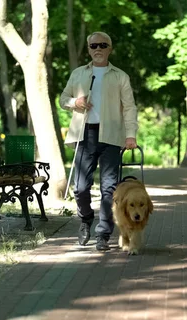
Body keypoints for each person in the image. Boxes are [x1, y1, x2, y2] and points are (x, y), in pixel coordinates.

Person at [60, 32, 138, 251]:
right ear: (89, 49)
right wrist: (76, 101)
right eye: (94, 45)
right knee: (81, 188)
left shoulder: (120, 76)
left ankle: (103, 234)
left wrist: (130, 134)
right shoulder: (78, 74)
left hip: (112, 136)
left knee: (109, 188)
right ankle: (85, 219)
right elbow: (62, 99)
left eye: (103, 45)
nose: (98, 49)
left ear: (110, 48)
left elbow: (130, 107)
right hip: (84, 135)